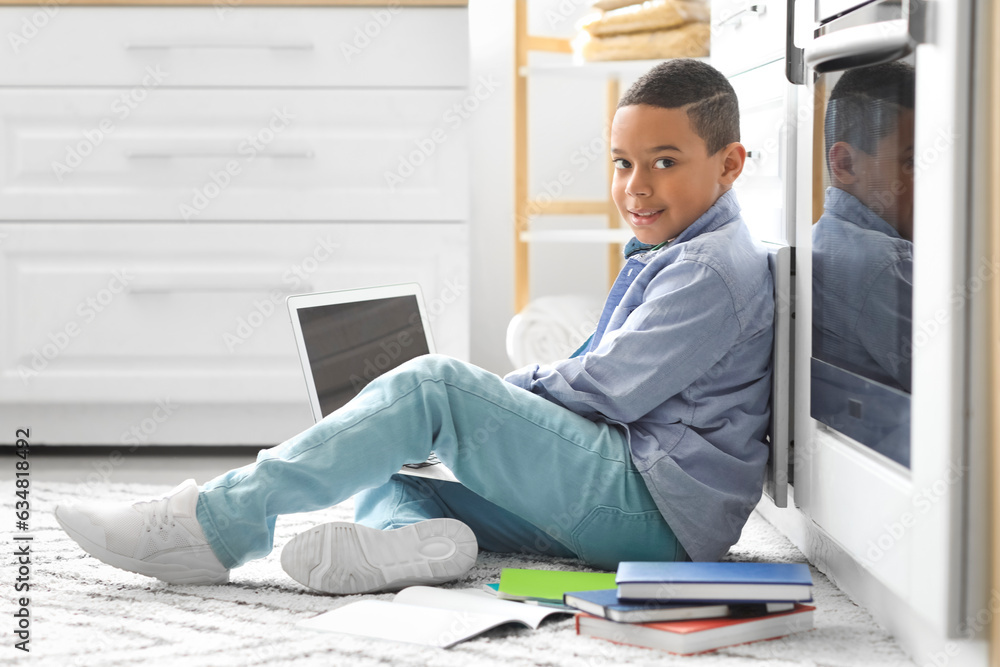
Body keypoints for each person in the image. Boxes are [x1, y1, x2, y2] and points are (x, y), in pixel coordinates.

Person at [55, 58, 774, 595]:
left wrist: (485, 401)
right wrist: (476, 422)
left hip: (655, 509)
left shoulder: (710, 269)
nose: (635, 185)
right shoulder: (679, 249)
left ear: (730, 163)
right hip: (639, 506)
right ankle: (422, 546)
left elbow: (607, 387)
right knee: (395, 464)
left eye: (664, 163)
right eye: (622, 163)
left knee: (435, 387)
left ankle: (207, 526)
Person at [812, 61, 915, 394]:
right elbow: (966, 389)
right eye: (913, 163)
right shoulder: (882, 263)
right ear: (846, 164)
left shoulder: (825, 236)